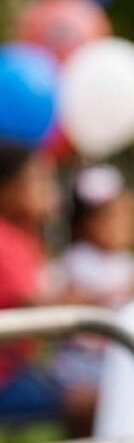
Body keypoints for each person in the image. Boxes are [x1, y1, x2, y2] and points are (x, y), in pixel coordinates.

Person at [54, 164, 134, 398]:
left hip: (122, 357)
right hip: (85, 364)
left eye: (130, 216)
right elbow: (69, 301)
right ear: (88, 223)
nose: (127, 226)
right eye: (116, 218)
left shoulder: (126, 261)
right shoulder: (77, 260)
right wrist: (123, 288)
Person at [0, 142, 64, 422]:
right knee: (90, 396)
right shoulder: (5, 240)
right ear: (7, 188)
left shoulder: (26, 236)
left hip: (20, 368)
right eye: (38, 180)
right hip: (7, 378)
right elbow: (34, 303)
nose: (51, 192)